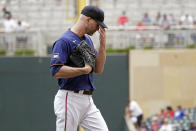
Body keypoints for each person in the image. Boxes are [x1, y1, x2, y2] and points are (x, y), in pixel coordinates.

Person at [50, 5, 108, 131]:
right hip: (69, 99)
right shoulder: (64, 41)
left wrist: (102, 46)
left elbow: (98, 69)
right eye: (97, 24)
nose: (99, 28)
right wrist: (83, 70)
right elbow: (56, 71)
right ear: (88, 19)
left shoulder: (87, 39)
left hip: (87, 100)